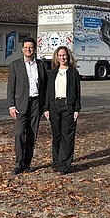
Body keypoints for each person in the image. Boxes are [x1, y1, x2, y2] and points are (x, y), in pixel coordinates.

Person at [7, 37, 48, 174]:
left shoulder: (41, 65)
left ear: (34, 49)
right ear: (22, 49)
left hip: (36, 103)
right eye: (25, 47)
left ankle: (27, 163)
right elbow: (11, 87)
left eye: (30, 47)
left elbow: (46, 87)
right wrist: (11, 105)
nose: (28, 49)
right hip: (20, 105)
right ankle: (19, 163)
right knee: (19, 133)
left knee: (32, 134)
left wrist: (45, 107)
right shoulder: (15, 65)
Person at [44, 45, 81, 174]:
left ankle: (64, 165)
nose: (62, 57)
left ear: (68, 56)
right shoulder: (53, 73)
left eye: (64, 55)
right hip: (54, 106)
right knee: (57, 135)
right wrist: (46, 108)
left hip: (68, 106)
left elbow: (77, 92)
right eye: (60, 56)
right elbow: (48, 91)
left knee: (67, 136)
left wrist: (76, 108)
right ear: (56, 57)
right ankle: (57, 162)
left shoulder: (73, 72)